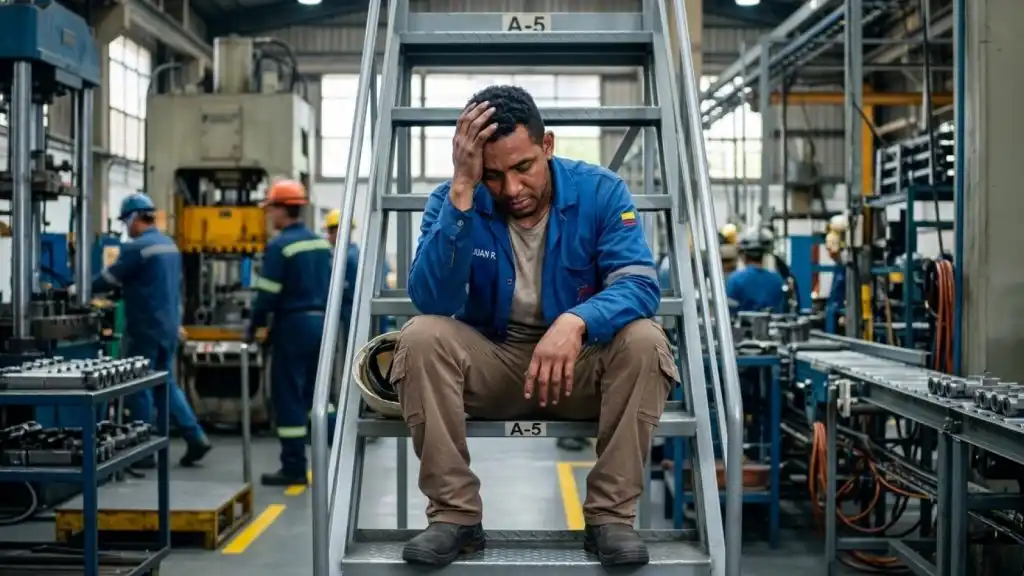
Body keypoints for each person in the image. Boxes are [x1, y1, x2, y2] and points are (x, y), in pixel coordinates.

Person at [391, 85, 675, 568]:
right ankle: (455, 515)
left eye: (523, 168)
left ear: (548, 146)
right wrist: (463, 191)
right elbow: (432, 298)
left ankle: (610, 518)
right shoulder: (454, 199)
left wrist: (578, 321)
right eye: (494, 175)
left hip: (579, 368)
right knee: (420, 336)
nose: (512, 190)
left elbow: (640, 285)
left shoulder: (600, 191)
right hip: (494, 364)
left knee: (647, 341)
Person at [80, 193, 211, 468]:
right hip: (168, 326)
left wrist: (78, 289)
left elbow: (108, 279)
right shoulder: (169, 245)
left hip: (144, 328)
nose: (126, 229)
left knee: (137, 387)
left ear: (134, 218)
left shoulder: (136, 248)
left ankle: (143, 451)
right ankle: (194, 435)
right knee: (165, 384)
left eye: (126, 222)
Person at [249, 179, 333, 486]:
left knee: (289, 396)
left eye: (271, 208)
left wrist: (254, 326)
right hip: (322, 324)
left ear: (283, 209)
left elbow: (267, 294)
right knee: (319, 394)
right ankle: (335, 454)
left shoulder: (281, 246)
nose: (270, 215)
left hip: (293, 326)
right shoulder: (321, 243)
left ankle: (294, 466)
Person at [726, 230, 786, 314]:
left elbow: (729, 311)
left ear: (743, 255)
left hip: (745, 326)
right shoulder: (778, 280)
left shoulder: (735, 279)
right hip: (772, 326)